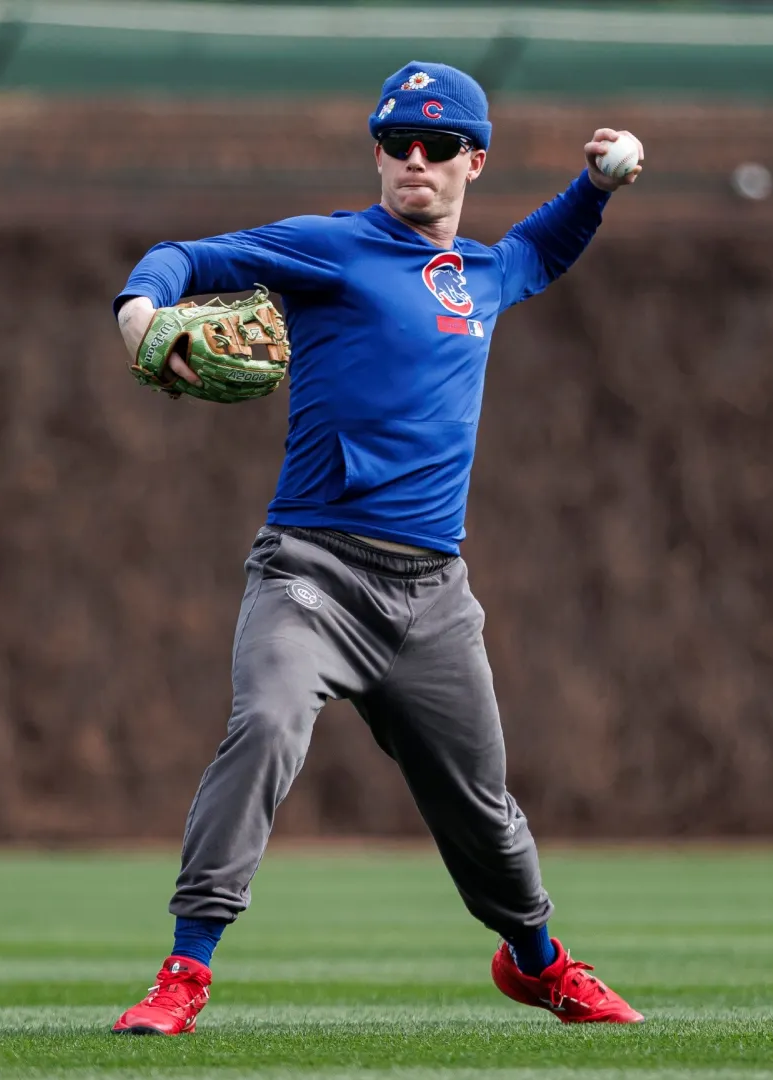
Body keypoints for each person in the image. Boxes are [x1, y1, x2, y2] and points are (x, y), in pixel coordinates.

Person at [109, 62, 645, 1035]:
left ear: (473, 162)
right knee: (267, 724)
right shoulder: (333, 250)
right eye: (397, 141)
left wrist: (598, 189)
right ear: (378, 153)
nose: (415, 160)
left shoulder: (483, 274)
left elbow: (542, 250)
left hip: (433, 597)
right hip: (311, 573)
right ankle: (185, 972)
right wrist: (140, 312)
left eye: (439, 146)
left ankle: (538, 963)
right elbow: (183, 256)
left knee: (485, 811)